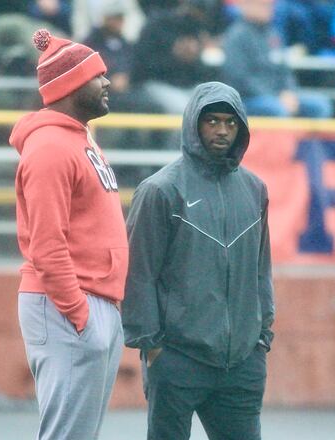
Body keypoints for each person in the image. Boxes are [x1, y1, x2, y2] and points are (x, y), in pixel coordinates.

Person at [122, 81, 275, 440]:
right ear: (193, 123)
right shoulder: (161, 190)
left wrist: (262, 333)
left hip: (241, 362)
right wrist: (152, 346)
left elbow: (261, 267)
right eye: (212, 121)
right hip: (177, 359)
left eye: (230, 122)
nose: (222, 130)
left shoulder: (255, 189)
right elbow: (138, 273)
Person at [8, 29, 127, 439]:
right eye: (98, 76)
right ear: (72, 83)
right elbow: (46, 243)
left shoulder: (78, 140)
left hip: (93, 302)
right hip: (69, 304)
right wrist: (79, 314)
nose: (107, 82)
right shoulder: (52, 148)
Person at [221, 0, 334, 118]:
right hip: (249, 99)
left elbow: (285, 72)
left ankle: (310, 137)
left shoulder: (273, 34)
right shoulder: (236, 36)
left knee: (320, 105)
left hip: (278, 96)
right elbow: (240, 79)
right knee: (277, 109)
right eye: (263, 5)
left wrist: (289, 92)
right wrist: (275, 96)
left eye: (270, 5)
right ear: (247, 6)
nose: (269, 9)